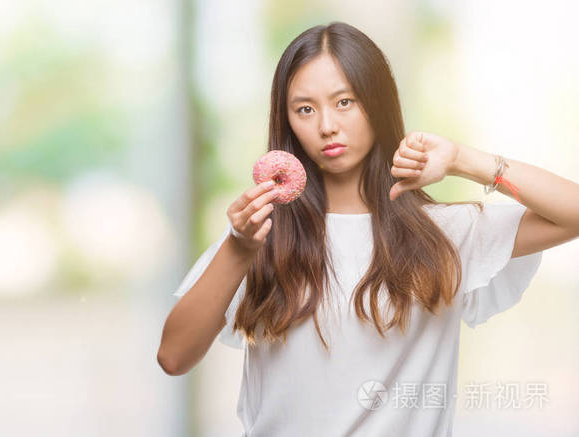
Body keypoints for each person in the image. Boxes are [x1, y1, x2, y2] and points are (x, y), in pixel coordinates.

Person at [157, 21, 579, 436]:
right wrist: (239, 249)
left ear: (377, 104)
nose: (326, 125)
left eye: (345, 102)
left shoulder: (445, 233)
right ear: (287, 122)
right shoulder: (260, 235)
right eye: (305, 108)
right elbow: (174, 357)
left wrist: (460, 159)